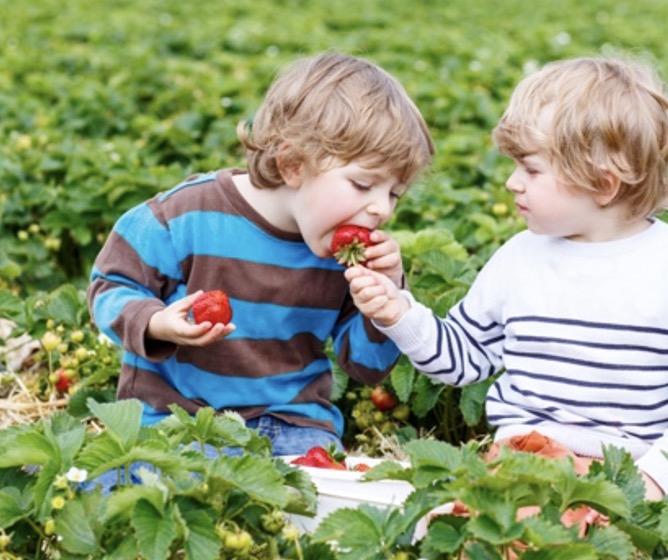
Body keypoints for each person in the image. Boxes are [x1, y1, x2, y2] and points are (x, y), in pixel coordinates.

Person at [345, 55, 668, 499]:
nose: (512, 183)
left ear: (603, 184)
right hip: (523, 458)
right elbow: (463, 359)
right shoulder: (520, 257)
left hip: (629, 472)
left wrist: (658, 477)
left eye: (532, 170)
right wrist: (398, 311)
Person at [88, 51, 434, 459]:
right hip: (175, 418)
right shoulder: (185, 217)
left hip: (292, 423)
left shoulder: (349, 260)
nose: (382, 209)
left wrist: (387, 301)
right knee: (129, 482)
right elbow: (110, 286)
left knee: (312, 500)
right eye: (363, 184)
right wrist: (155, 323)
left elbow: (366, 366)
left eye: (393, 193)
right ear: (291, 164)